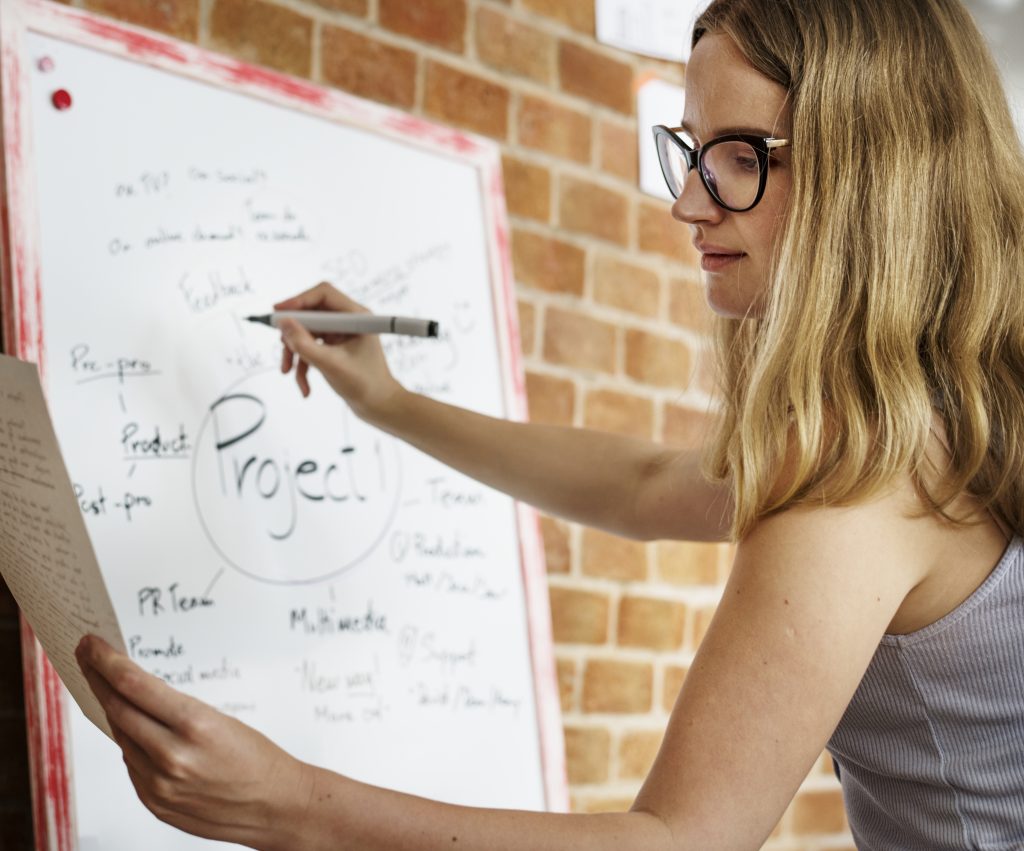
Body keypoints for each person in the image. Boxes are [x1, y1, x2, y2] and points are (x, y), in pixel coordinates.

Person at [76, 0, 1024, 847]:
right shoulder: (953, 405)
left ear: (876, 169)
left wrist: (293, 806)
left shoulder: (869, 476)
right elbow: (644, 483)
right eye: (689, 150)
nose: (688, 202)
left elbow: (681, 838)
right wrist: (391, 401)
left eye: (741, 157)